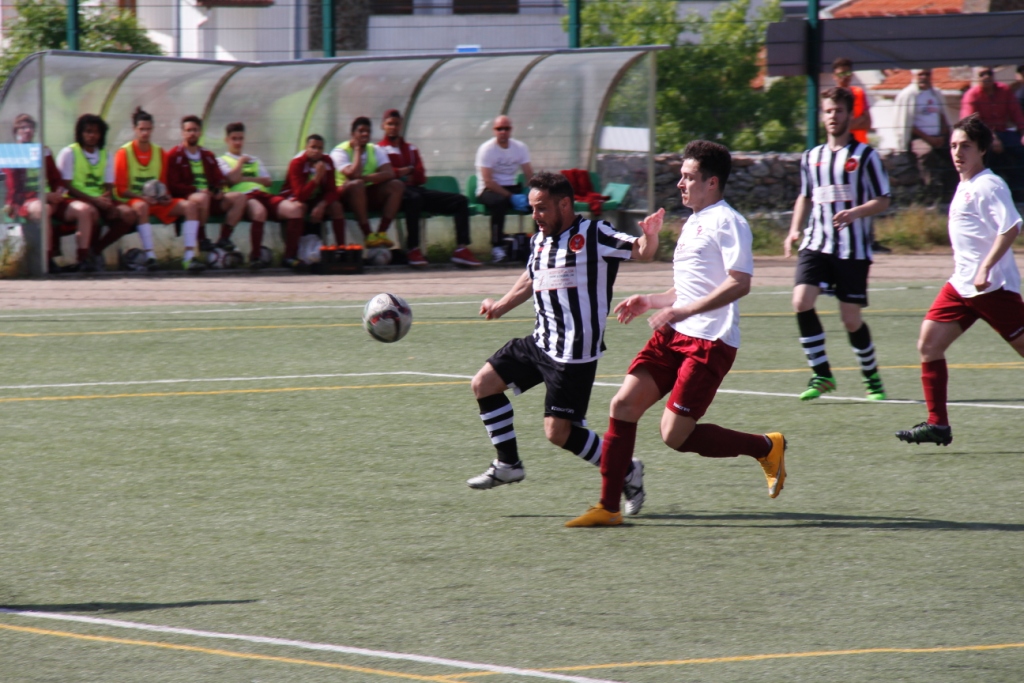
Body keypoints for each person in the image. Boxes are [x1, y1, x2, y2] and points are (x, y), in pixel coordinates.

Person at [565, 141, 786, 528]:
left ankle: (766, 447)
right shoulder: (692, 221)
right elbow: (691, 288)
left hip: (710, 341)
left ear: (712, 182)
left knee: (674, 436)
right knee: (623, 405)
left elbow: (740, 283)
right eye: (681, 177)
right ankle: (608, 506)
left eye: (689, 178)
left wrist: (682, 310)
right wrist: (651, 300)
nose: (681, 184)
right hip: (673, 333)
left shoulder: (729, 222)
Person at [466, 172, 658, 511]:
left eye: (541, 209)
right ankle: (508, 464)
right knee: (483, 383)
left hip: (573, 353)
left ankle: (627, 470)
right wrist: (500, 306)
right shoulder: (540, 239)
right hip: (540, 341)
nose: (535, 216)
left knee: (558, 433)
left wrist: (650, 236)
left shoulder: (595, 234)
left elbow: (641, 252)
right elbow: (530, 277)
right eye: (532, 209)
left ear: (565, 204)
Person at [896, 114, 1024, 446]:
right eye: (953, 146)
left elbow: (1011, 227)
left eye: (965, 146)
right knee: (928, 344)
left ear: (982, 148)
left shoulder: (989, 184)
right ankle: (938, 425)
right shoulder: (965, 184)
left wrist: (985, 267)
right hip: (962, 286)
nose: (957, 152)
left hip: (992, 287)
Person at [783, 87, 892, 402]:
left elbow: (883, 199)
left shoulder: (866, 156)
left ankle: (871, 377)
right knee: (801, 301)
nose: (833, 117)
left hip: (852, 250)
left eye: (839, 111)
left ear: (849, 115)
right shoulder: (811, 157)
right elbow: (805, 195)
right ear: (823, 115)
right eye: (828, 111)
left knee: (850, 319)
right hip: (816, 243)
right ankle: (822, 374)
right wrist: (794, 230)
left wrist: (855, 213)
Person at [378, 109, 480, 267]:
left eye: (396, 124)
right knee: (414, 199)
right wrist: (405, 171)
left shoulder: (411, 149)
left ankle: (461, 249)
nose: (393, 127)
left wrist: (401, 172)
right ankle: (413, 248)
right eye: (389, 124)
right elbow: (385, 174)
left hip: (416, 190)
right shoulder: (379, 149)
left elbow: (420, 176)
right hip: (395, 194)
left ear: (401, 125)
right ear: (383, 126)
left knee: (460, 201)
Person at [113, 106, 201, 271]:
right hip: (135, 200)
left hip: (156, 201)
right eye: (141, 129)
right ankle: (150, 256)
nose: (145, 133)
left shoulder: (159, 152)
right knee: (142, 206)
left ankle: (189, 257)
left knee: (190, 206)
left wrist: (165, 196)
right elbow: (120, 189)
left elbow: (163, 185)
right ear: (135, 129)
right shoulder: (124, 153)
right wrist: (141, 197)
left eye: (148, 129)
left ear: (152, 129)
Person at [2, 114, 85, 272]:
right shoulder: (12, 152)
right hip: (24, 202)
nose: (27, 131)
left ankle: (83, 261)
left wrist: (58, 192)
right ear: (16, 131)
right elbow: (16, 190)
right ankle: (47, 260)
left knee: (84, 210)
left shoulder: (43, 150)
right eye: (22, 128)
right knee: (44, 209)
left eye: (30, 127)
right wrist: (45, 197)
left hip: (49, 199)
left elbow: (56, 179)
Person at [56, 113, 135, 271]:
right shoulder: (70, 152)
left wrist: (109, 202)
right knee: (91, 212)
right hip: (75, 199)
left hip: (99, 199)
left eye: (96, 132)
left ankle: (96, 250)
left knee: (129, 214)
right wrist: (94, 200)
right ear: (80, 133)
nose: (92, 136)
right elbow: (67, 185)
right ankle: (83, 258)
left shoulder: (106, 154)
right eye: (88, 131)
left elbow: (107, 185)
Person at [218, 121, 303, 269]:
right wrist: (241, 162)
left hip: (263, 194)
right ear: (227, 140)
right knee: (260, 212)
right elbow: (232, 180)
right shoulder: (222, 160)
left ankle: (289, 256)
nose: (238, 142)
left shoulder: (254, 160)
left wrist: (245, 178)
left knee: (295, 210)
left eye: (241, 138)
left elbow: (268, 181)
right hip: (244, 197)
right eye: (234, 138)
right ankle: (255, 257)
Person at [166, 115, 246, 271]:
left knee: (240, 198)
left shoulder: (207, 155)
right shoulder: (175, 155)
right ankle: (202, 239)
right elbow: (173, 185)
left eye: (195, 130)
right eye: (188, 130)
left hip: (210, 198)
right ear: (182, 133)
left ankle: (224, 238)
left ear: (200, 132)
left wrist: (219, 191)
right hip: (191, 197)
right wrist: (197, 190)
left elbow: (219, 179)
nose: (192, 133)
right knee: (202, 198)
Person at [331, 116, 404, 249]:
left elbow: (389, 173)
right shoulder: (340, 151)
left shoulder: (375, 149)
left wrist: (365, 178)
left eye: (368, 132)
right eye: (361, 131)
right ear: (353, 134)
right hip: (344, 196)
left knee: (396, 185)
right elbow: (353, 174)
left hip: (366, 192)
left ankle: (381, 233)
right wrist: (358, 150)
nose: (365, 134)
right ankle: (368, 234)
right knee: (357, 184)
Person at [959, 67, 1024, 201]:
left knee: (1019, 149)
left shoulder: (1004, 90)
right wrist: (991, 138)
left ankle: (1019, 192)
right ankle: (989, 194)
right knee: (986, 154)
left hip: (1003, 133)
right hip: (982, 136)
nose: (986, 76)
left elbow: (1017, 114)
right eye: (982, 74)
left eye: (989, 73)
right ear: (976, 78)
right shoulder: (972, 95)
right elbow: (970, 123)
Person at [475, 115, 533, 263]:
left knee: (539, 204)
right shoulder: (487, 149)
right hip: (488, 190)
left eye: (506, 128)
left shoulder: (520, 148)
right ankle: (497, 247)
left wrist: (531, 192)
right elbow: (488, 181)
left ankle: (542, 245)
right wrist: (511, 197)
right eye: (499, 129)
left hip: (511, 187)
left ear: (511, 130)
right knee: (499, 203)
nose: (503, 132)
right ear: (494, 130)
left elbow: (528, 173)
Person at [893, 69, 956, 201]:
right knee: (927, 154)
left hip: (939, 136)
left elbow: (942, 115)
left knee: (954, 154)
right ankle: (929, 192)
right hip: (919, 138)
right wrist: (929, 139)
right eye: (920, 74)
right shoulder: (908, 95)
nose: (924, 77)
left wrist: (943, 135)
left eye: (927, 74)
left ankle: (950, 192)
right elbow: (908, 124)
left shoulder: (936, 93)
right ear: (914, 75)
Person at [281, 134, 343, 267]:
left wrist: (322, 204)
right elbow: (300, 195)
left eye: (320, 148)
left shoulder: (327, 161)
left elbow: (332, 190)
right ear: (306, 148)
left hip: (316, 199)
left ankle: (342, 250)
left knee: (336, 207)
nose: (316, 151)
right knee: (300, 207)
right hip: (293, 196)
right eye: (313, 147)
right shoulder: (297, 162)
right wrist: (316, 178)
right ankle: (290, 255)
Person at [832, 58, 872, 145]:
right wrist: (861, 119)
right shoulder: (832, 97)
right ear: (834, 76)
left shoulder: (859, 93)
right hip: (841, 145)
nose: (845, 77)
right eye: (841, 74)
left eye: (847, 73)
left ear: (852, 75)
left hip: (860, 145)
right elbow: (837, 127)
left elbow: (868, 123)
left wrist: (848, 124)